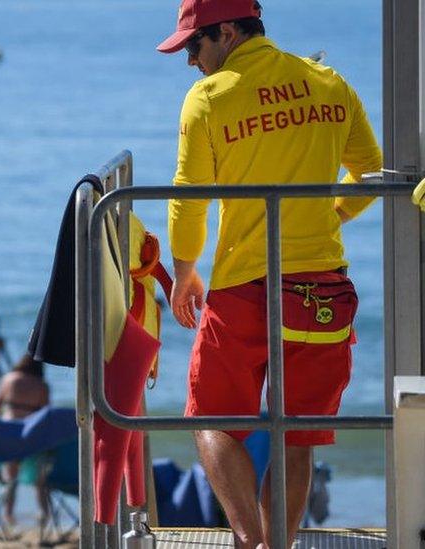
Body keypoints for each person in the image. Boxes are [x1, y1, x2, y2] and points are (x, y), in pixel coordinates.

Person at [156, 0, 382, 546]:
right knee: (296, 435)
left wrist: (185, 272)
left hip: (243, 287)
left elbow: (189, 199)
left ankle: (250, 540)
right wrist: (335, 212)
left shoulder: (209, 97)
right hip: (323, 284)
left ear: (228, 31)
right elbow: (372, 173)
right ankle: (276, 545)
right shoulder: (328, 82)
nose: (190, 60)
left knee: (209, 419)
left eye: (193, 44)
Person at [0, 354, 50, 525]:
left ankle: (8, 515)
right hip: (30, 434)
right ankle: (43, 513)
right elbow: (46, 417)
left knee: (11, 477)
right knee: (39, 480)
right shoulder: (41, 386)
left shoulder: (8, 379)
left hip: (8, 432)